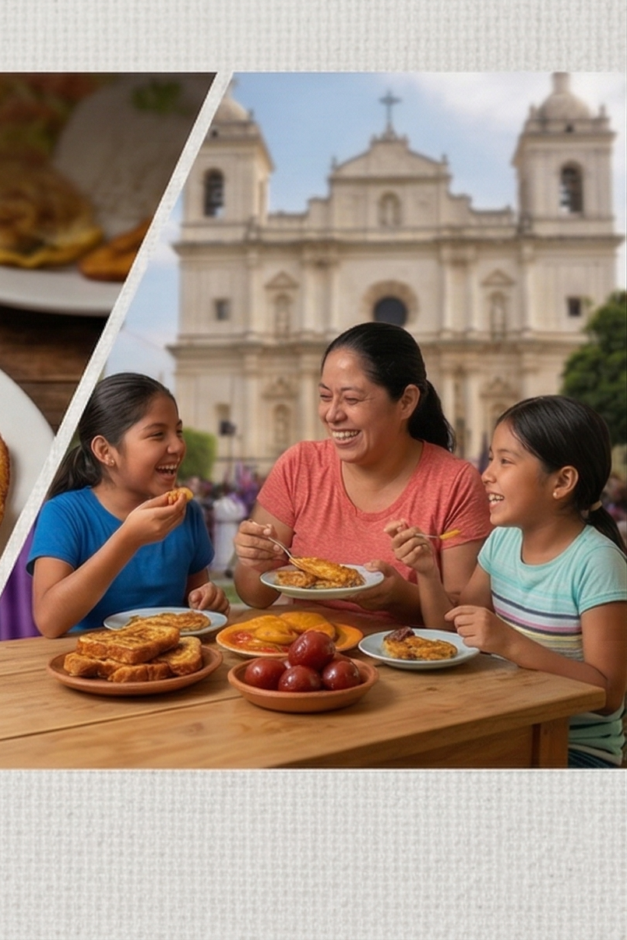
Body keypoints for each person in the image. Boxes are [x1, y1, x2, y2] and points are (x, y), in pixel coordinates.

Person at [392, 396, 625, 767]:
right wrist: (426, 572)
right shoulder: (503, 541)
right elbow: (452, 634)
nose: (486, 473)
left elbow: (609, 693)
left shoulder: (597, 562)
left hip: (574, 750)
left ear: (562, 481)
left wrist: (510, 644)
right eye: (490, 457)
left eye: (506, 460)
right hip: (509, 726)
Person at [230, 322, 490, 621]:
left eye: (351, 399)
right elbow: (254, 595)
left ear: (406, 401)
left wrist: (400, 598)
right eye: (325, 396)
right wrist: (256, 558)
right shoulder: (299, 465)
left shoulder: (454, 483)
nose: (332, 414)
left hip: (406, 658)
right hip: (308, 654)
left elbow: (464, 619)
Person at [28, 373, 225, 636]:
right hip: (90, 663)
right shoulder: (64, 513)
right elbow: (49, 622)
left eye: (178, 432)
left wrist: (208, 599)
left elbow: (197, 603)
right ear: (105, 451)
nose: (178, 445)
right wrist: (128, 539)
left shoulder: (187, 513)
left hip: (175, 661)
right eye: (157, 434)